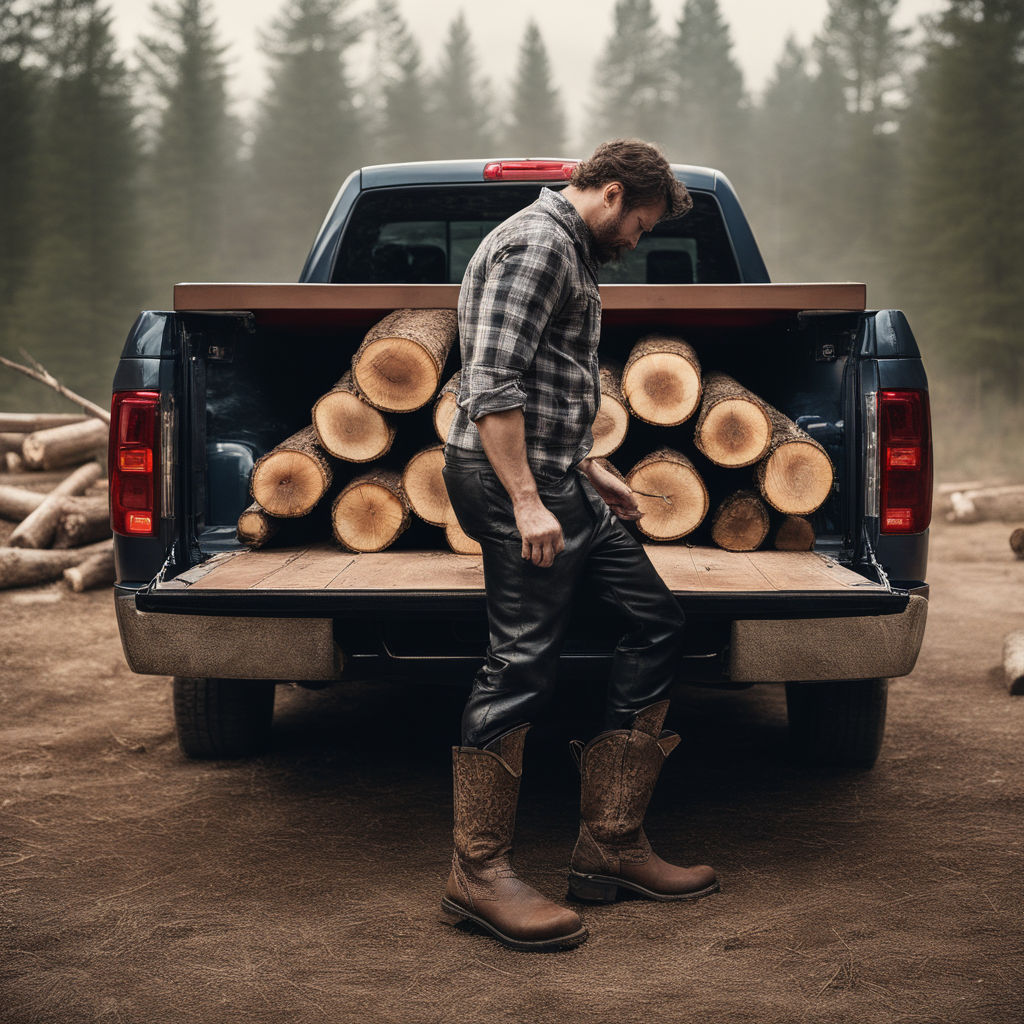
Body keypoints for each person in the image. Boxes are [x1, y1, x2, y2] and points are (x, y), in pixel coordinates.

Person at [440, 139, 719, 952]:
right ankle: (476, 871)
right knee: (521, 661)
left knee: (655, 621)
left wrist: (589, 467)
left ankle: (611, 846)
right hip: (508, 483)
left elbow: (549, 375)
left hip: (558, 476)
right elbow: (492, 380)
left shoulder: (570, 249)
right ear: (609, 192)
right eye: (640, 221)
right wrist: (528, 499)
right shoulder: (536, 244)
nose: (638, 238)